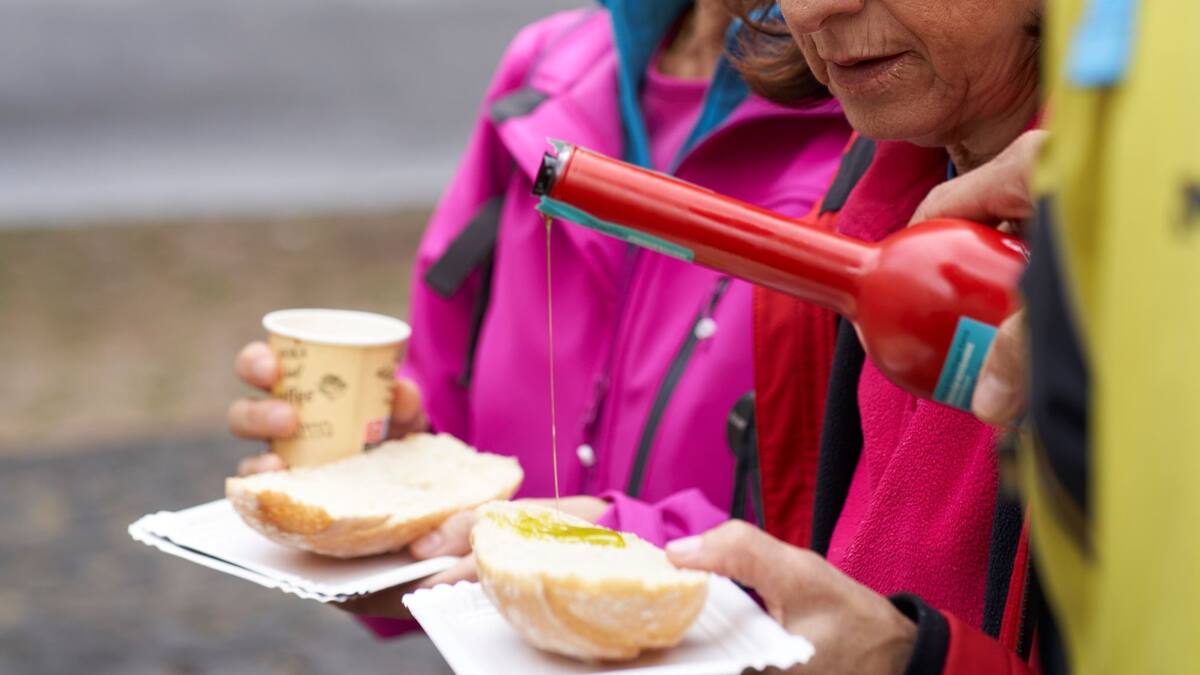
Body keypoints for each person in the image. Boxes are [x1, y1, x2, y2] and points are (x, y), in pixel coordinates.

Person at [228, 0, 850, 624]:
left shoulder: (882, 101)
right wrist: (379, 472)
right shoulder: (549, 67)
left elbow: (889, 590)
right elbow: (444, 390)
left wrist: (615, 550)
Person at [657, 1, 1047, 673]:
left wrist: (910, 658)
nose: (811, 7)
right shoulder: (871, 201)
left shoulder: (1153, 264)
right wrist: (609, 546)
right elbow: (842, 577)